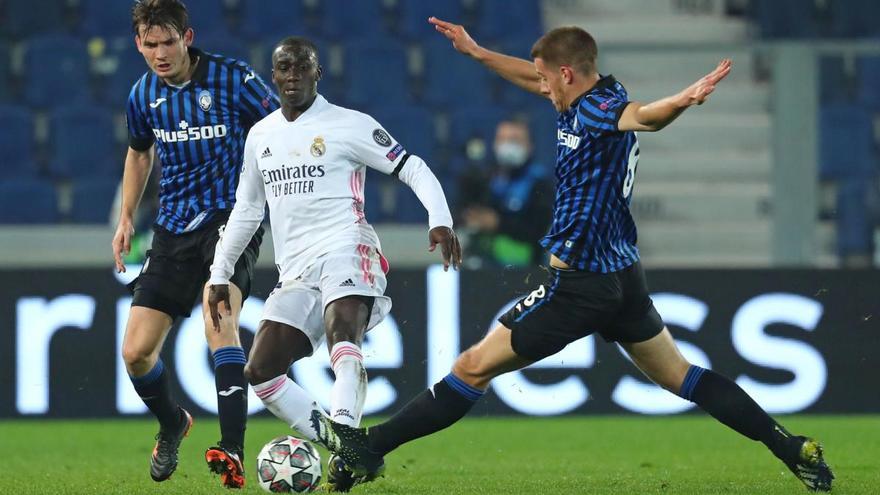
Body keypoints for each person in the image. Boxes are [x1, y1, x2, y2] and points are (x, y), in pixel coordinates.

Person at [309, 19, 834, 493]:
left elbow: (644, 118)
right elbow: (539, 80)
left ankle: (367, 447)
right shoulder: (586, 94)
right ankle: (791, 447)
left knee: (470, 368)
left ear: (566, 73)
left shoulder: (603, 108)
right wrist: (477, 53)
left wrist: (681, 99)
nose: (539, 86)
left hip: (579, 285)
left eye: (545, 78)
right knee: (681, 376)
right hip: (622, 277)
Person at [206, 37, 461, 492]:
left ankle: (345, 452)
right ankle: (349, 447)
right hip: (296, 271)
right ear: (274, 75)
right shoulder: (260, 136)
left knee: (343, 336)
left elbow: (413, 167)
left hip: (348, 245)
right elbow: (246, 212)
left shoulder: (349, 125)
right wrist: (219, 273)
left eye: (302, 68)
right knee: (260, 372)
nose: (292, 77)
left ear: (316, 73)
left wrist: (439, 220)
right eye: (284, 69)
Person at [111, 0, 279, 488]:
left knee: (218, 317)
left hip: (232, 220)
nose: (160, 54)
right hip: (172, 229)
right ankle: (172, 422)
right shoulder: (143, 94)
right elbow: (139, 154)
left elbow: (284, 128)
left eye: (167, 42)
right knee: (136, 353)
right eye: (149, 44)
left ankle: (233, 449)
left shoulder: (235, 79)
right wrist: (126, 218)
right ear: (138, 44)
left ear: (187, 37)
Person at [457, 117, 553, 268]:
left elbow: (539, 232)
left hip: (525, 270)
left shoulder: (539, 183)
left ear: (530, 146)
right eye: (502, 139)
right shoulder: (484, 178)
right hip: (481, 267)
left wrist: (498, 223)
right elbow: (459, 216)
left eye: (515, 140)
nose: (508, 145)